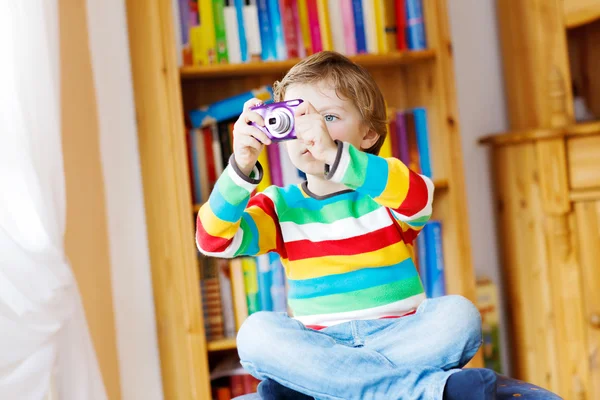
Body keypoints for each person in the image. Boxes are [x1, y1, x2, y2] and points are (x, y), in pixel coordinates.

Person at [196, 51, 496, 400]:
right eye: (298, 118)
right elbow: (213, 241)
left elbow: (419, 198)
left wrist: (336, 157)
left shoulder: (383, 192)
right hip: (321, 343)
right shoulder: (279, 206)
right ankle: (423, 391)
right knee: (255, 334)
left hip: (400, 335)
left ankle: (322, 389)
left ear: (368, 134)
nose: (313, 130)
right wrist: (241, 167)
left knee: (459, 316)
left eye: (329, 117)